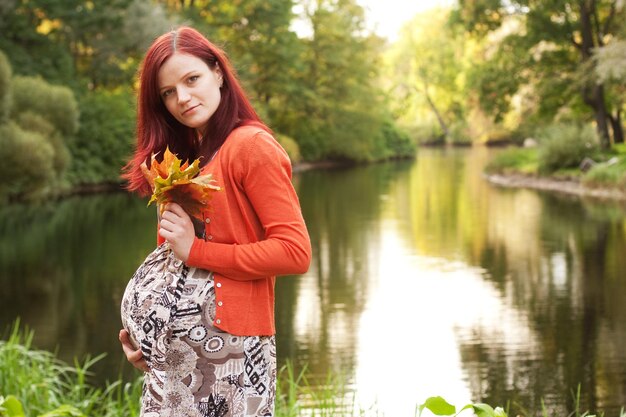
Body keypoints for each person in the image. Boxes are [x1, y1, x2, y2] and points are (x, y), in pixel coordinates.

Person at [118, 26, 311, 417]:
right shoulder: (187, 157)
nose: (182, 98)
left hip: (232, 356)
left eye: (192, 79)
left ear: (218, 72)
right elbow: (175, 262)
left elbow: (295, 253)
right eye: (168, 92)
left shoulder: (250, 147)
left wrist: (198, 249)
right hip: (176, 361)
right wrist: (148, 335)